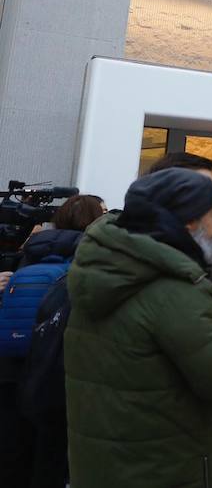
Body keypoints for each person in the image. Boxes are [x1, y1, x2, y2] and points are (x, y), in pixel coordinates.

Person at [65, 168, 212, 487]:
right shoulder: (174, 289)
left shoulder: (106, 274)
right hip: (170, 468)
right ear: (187, 220)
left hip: (109, 463)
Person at [2, 194, 105, 488]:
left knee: (15, 450)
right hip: (56, 367)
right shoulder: (90, 255)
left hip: (11, 362)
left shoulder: (31, 248)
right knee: (52, 456)